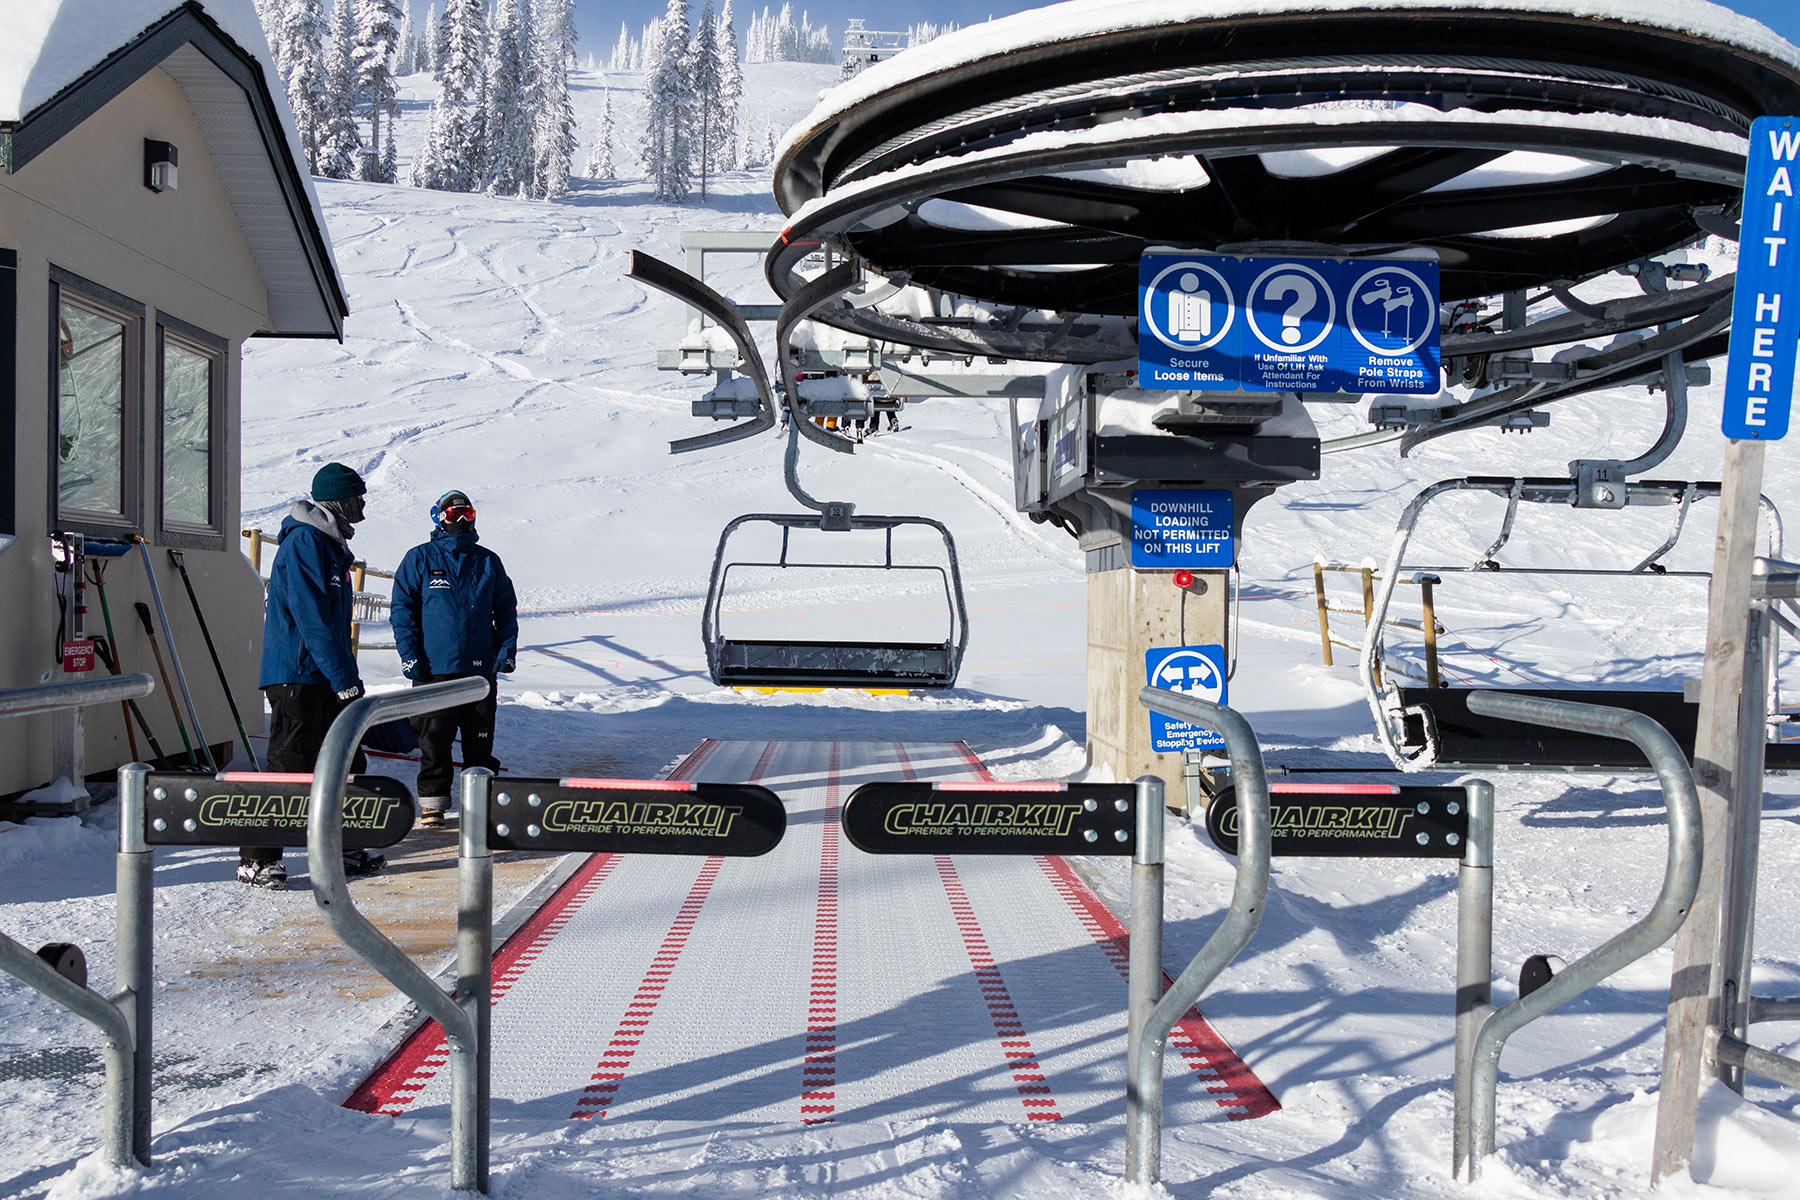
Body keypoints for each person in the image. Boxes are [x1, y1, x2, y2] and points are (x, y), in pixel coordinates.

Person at [246, 462, 385, 889]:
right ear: (339, 500)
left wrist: (345, 676)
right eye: (357, 497)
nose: (362, 505)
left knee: (344, 758)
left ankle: (339, 847)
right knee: (292, 763)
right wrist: (342, 676)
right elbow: (312, 618)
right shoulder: (307, 542)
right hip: (298, 673)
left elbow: (334, 624)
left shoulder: (330, 546)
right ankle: (257, 857)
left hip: (323, 672)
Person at [390, 489, 518, 827]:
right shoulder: (420, 559)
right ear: (438, 518)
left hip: (478, 672)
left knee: (479, 743)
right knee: (434, 740)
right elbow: (403, 612)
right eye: (453, 515)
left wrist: (505, 651)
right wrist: (410, 656)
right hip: (434, 670)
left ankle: (482, 805)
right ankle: (433, 803)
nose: (461, 520)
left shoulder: (488, 561)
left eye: (468, 514)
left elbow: (505, 611)